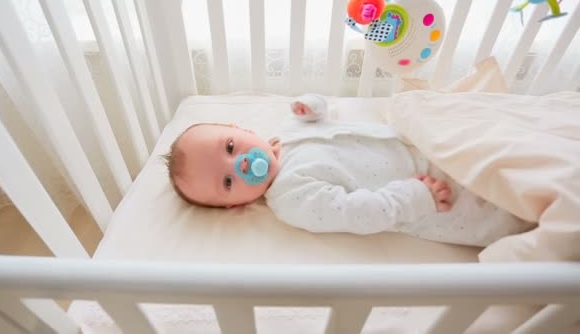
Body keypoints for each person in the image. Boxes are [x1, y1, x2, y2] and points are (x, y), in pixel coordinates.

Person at [164, 95, 534, 246]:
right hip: (434, 193)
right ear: (233, 206)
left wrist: (311, 108)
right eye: (228, 181)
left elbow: (329, 118)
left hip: (425, 145)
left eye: (230, 148)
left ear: (241, 130)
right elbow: (358, 213)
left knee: (510, 154)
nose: (241, 165)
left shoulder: (287, 131)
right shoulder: (290, 198)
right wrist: (413, 198)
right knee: (509, 206)